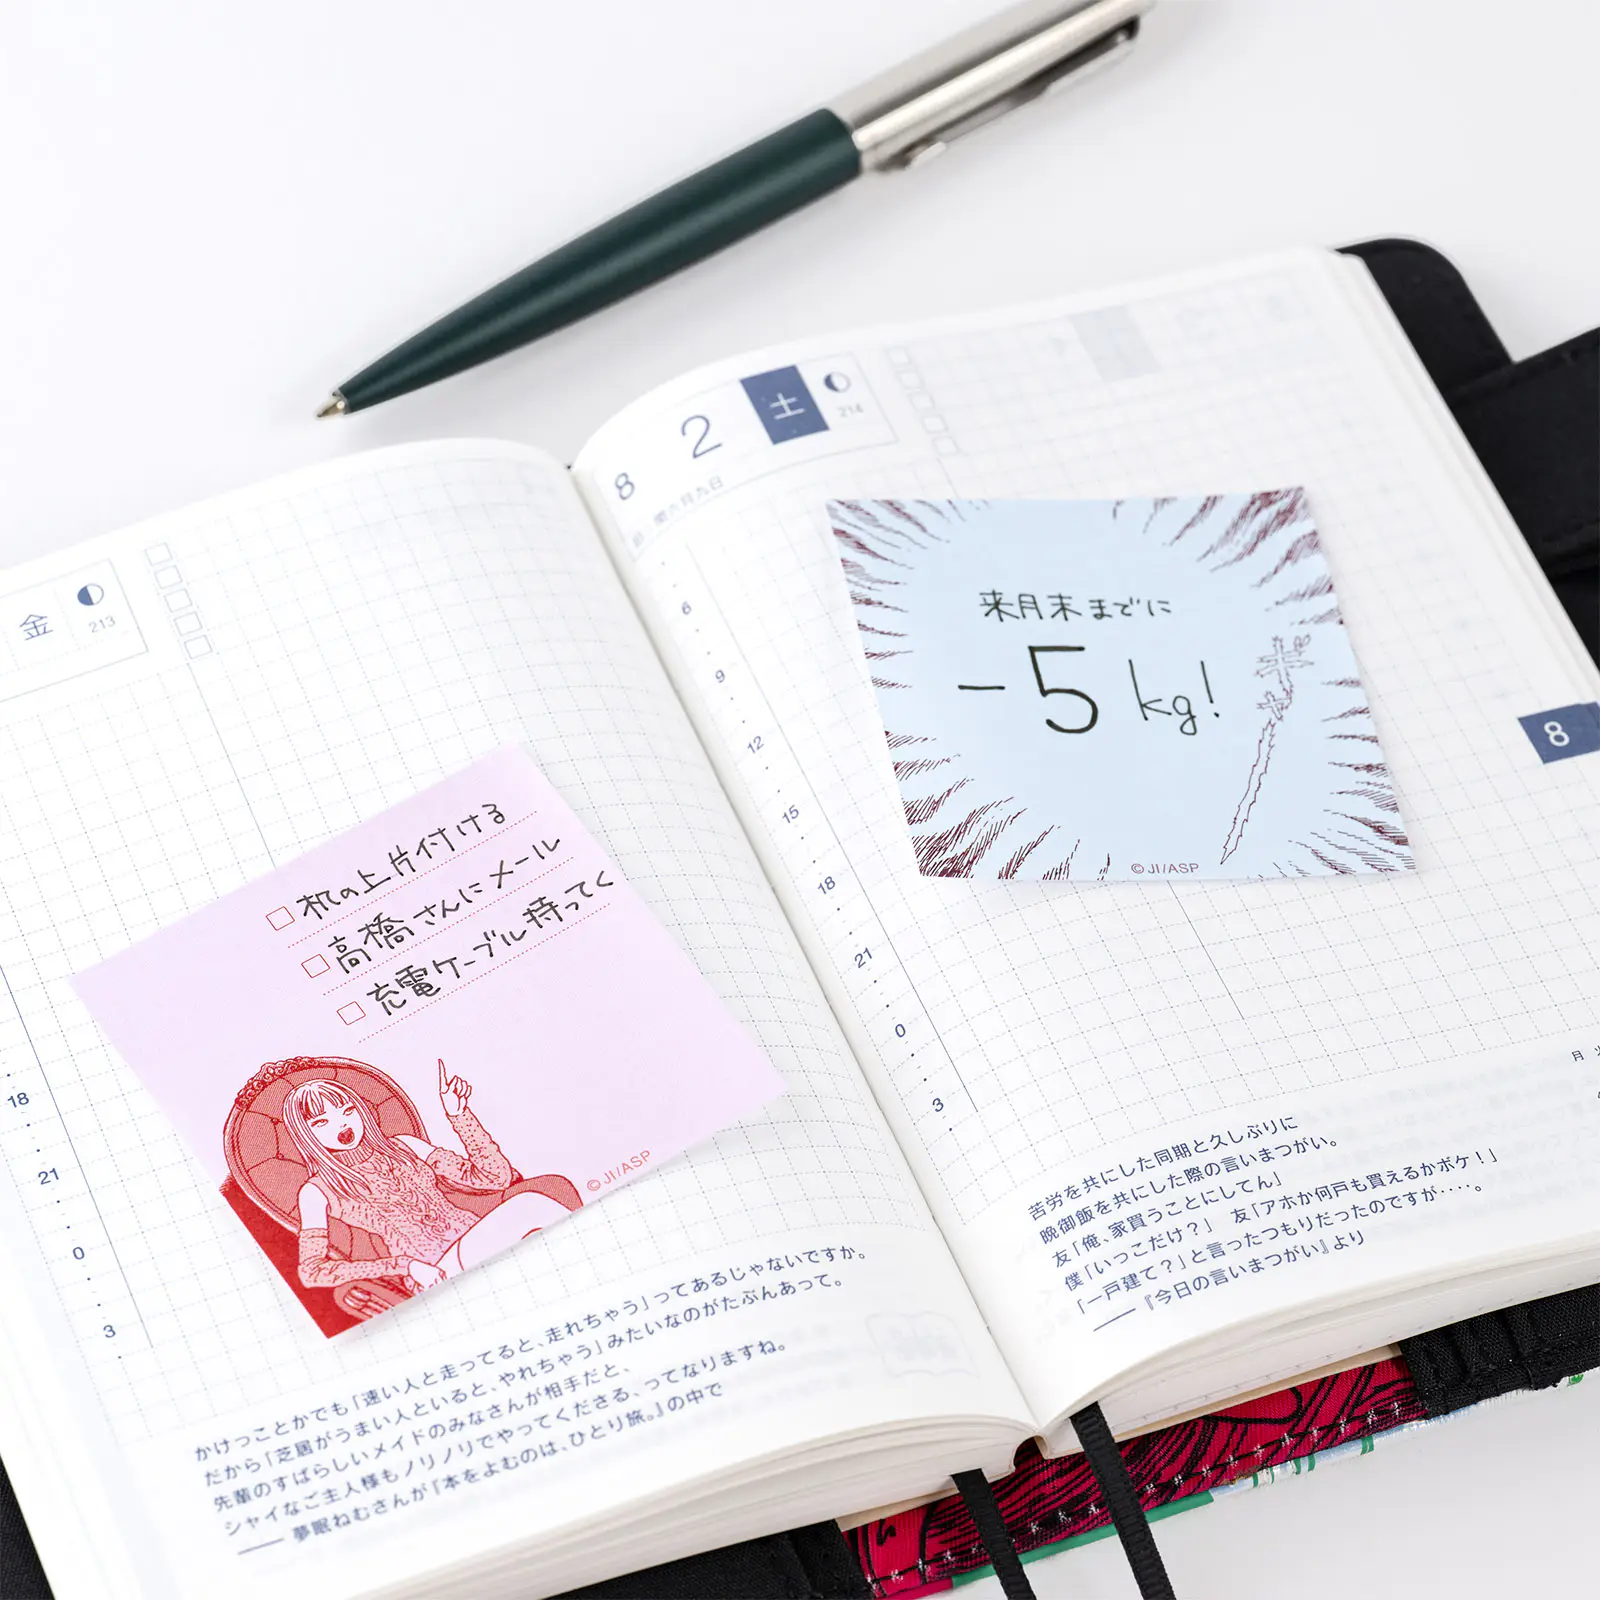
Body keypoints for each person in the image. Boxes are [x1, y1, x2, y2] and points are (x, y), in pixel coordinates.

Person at [283, 1058, 569, 1293]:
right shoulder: (316, 1191)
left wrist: (460, 1115)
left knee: (534, 1204)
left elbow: (495, 1179)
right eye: (322, 1122)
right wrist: (405, 1266)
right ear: (306, 1134)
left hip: (480, 1236)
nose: (342, 1125)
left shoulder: (404, 1146)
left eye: (348, 1111)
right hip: (435, 1269)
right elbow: (312, 1272)